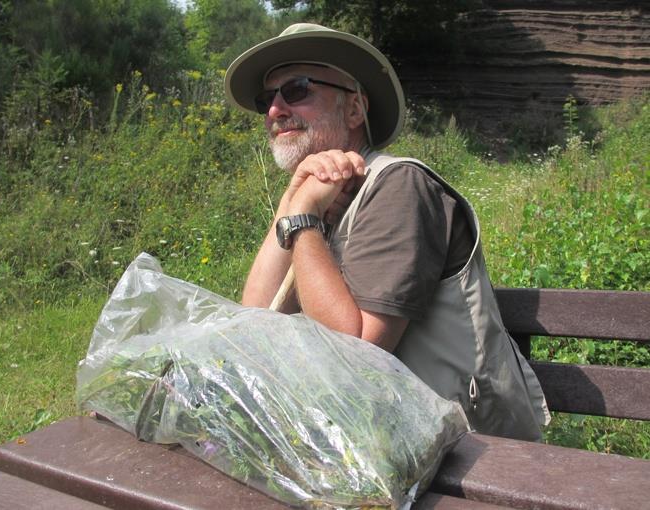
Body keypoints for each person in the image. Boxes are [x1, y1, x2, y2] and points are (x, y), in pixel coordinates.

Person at [224, 23, 550, 441]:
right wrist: (293, 200)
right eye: (266, 98)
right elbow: (255, 315)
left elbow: (355, 352)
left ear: (355, 110)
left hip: (464, 452)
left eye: (297, 89)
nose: (274, 110)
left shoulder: (400, 185)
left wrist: (304, 217)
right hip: (376, 438)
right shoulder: (321, 196)